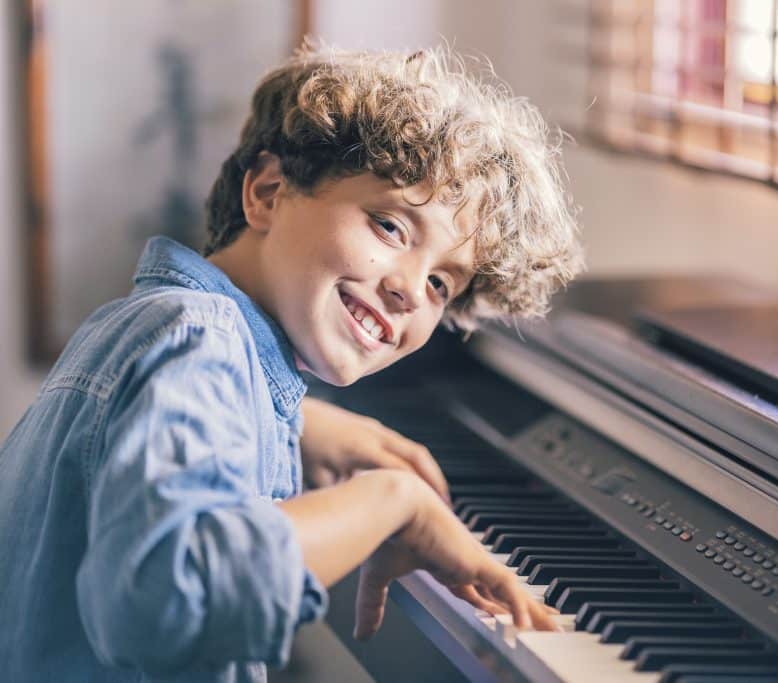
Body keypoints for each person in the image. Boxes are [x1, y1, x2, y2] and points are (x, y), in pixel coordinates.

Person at [0, 43, 583, 682]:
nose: (412, 290)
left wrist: (295, 423)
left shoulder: (166, 329)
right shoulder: (199, 341)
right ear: (269, 192)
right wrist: (393, 502)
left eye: (443, 283)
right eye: (390, 227)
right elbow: (169, 601)